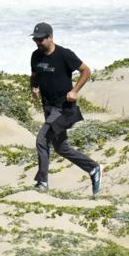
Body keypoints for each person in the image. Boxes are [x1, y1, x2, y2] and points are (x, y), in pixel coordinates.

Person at [28, 22, 100, 195]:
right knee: (61, 147)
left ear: (50, 37)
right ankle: (93, 168)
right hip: (48, 107)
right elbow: (34, 74)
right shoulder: (36, 55)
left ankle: (42, 183)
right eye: (35, 39)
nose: (37, 42)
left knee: (42, 139)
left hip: (63, 108)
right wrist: (34, 87)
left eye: (41, 39)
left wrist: (75, 91)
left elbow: (86, 71)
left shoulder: (64, 55)